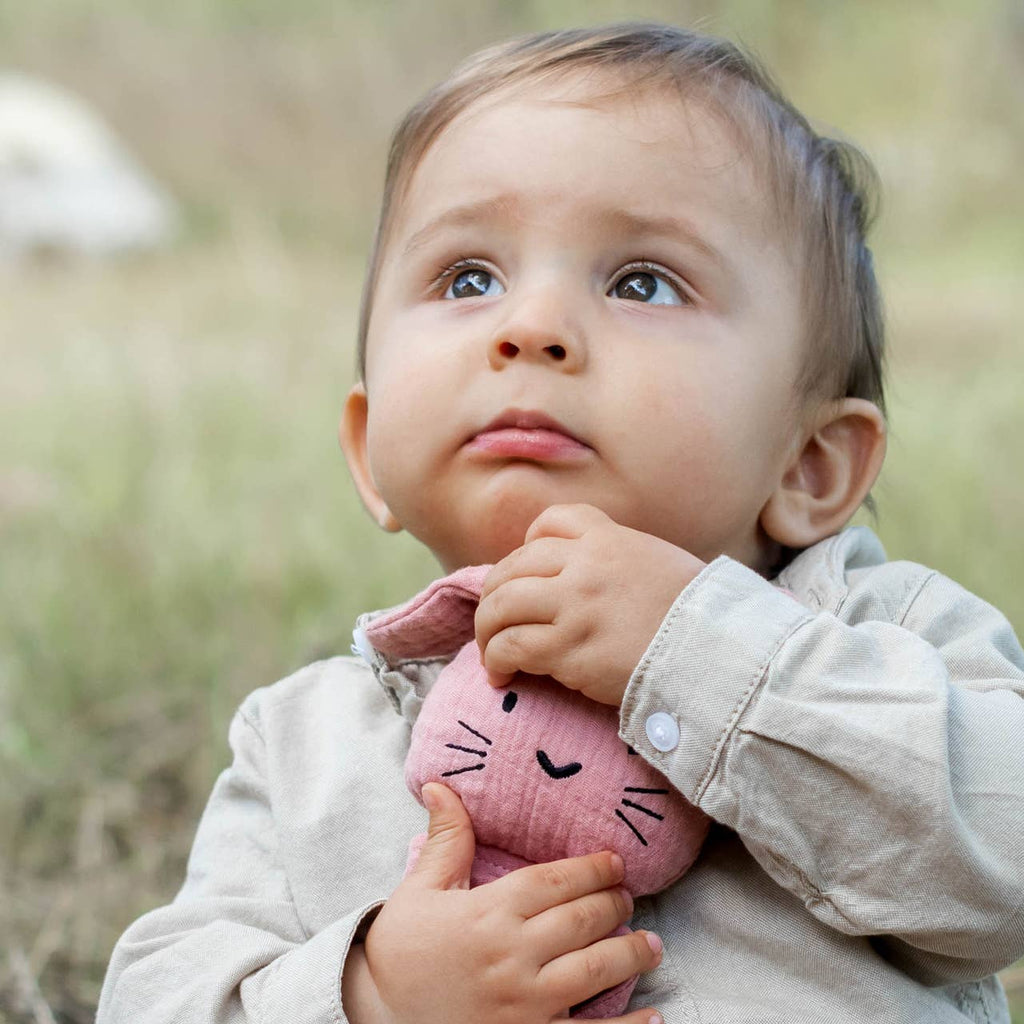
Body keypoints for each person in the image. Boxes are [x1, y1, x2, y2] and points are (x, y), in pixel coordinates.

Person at [97, 22, 1024, 1024]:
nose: (526, 326)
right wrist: (369, 995)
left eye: (642, 281)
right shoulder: (306, 743)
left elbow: (1000, 866)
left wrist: (693, 648)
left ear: (807, 463)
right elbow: (154, 997)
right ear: (370, 454)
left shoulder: (889, 639)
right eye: (468, 278)